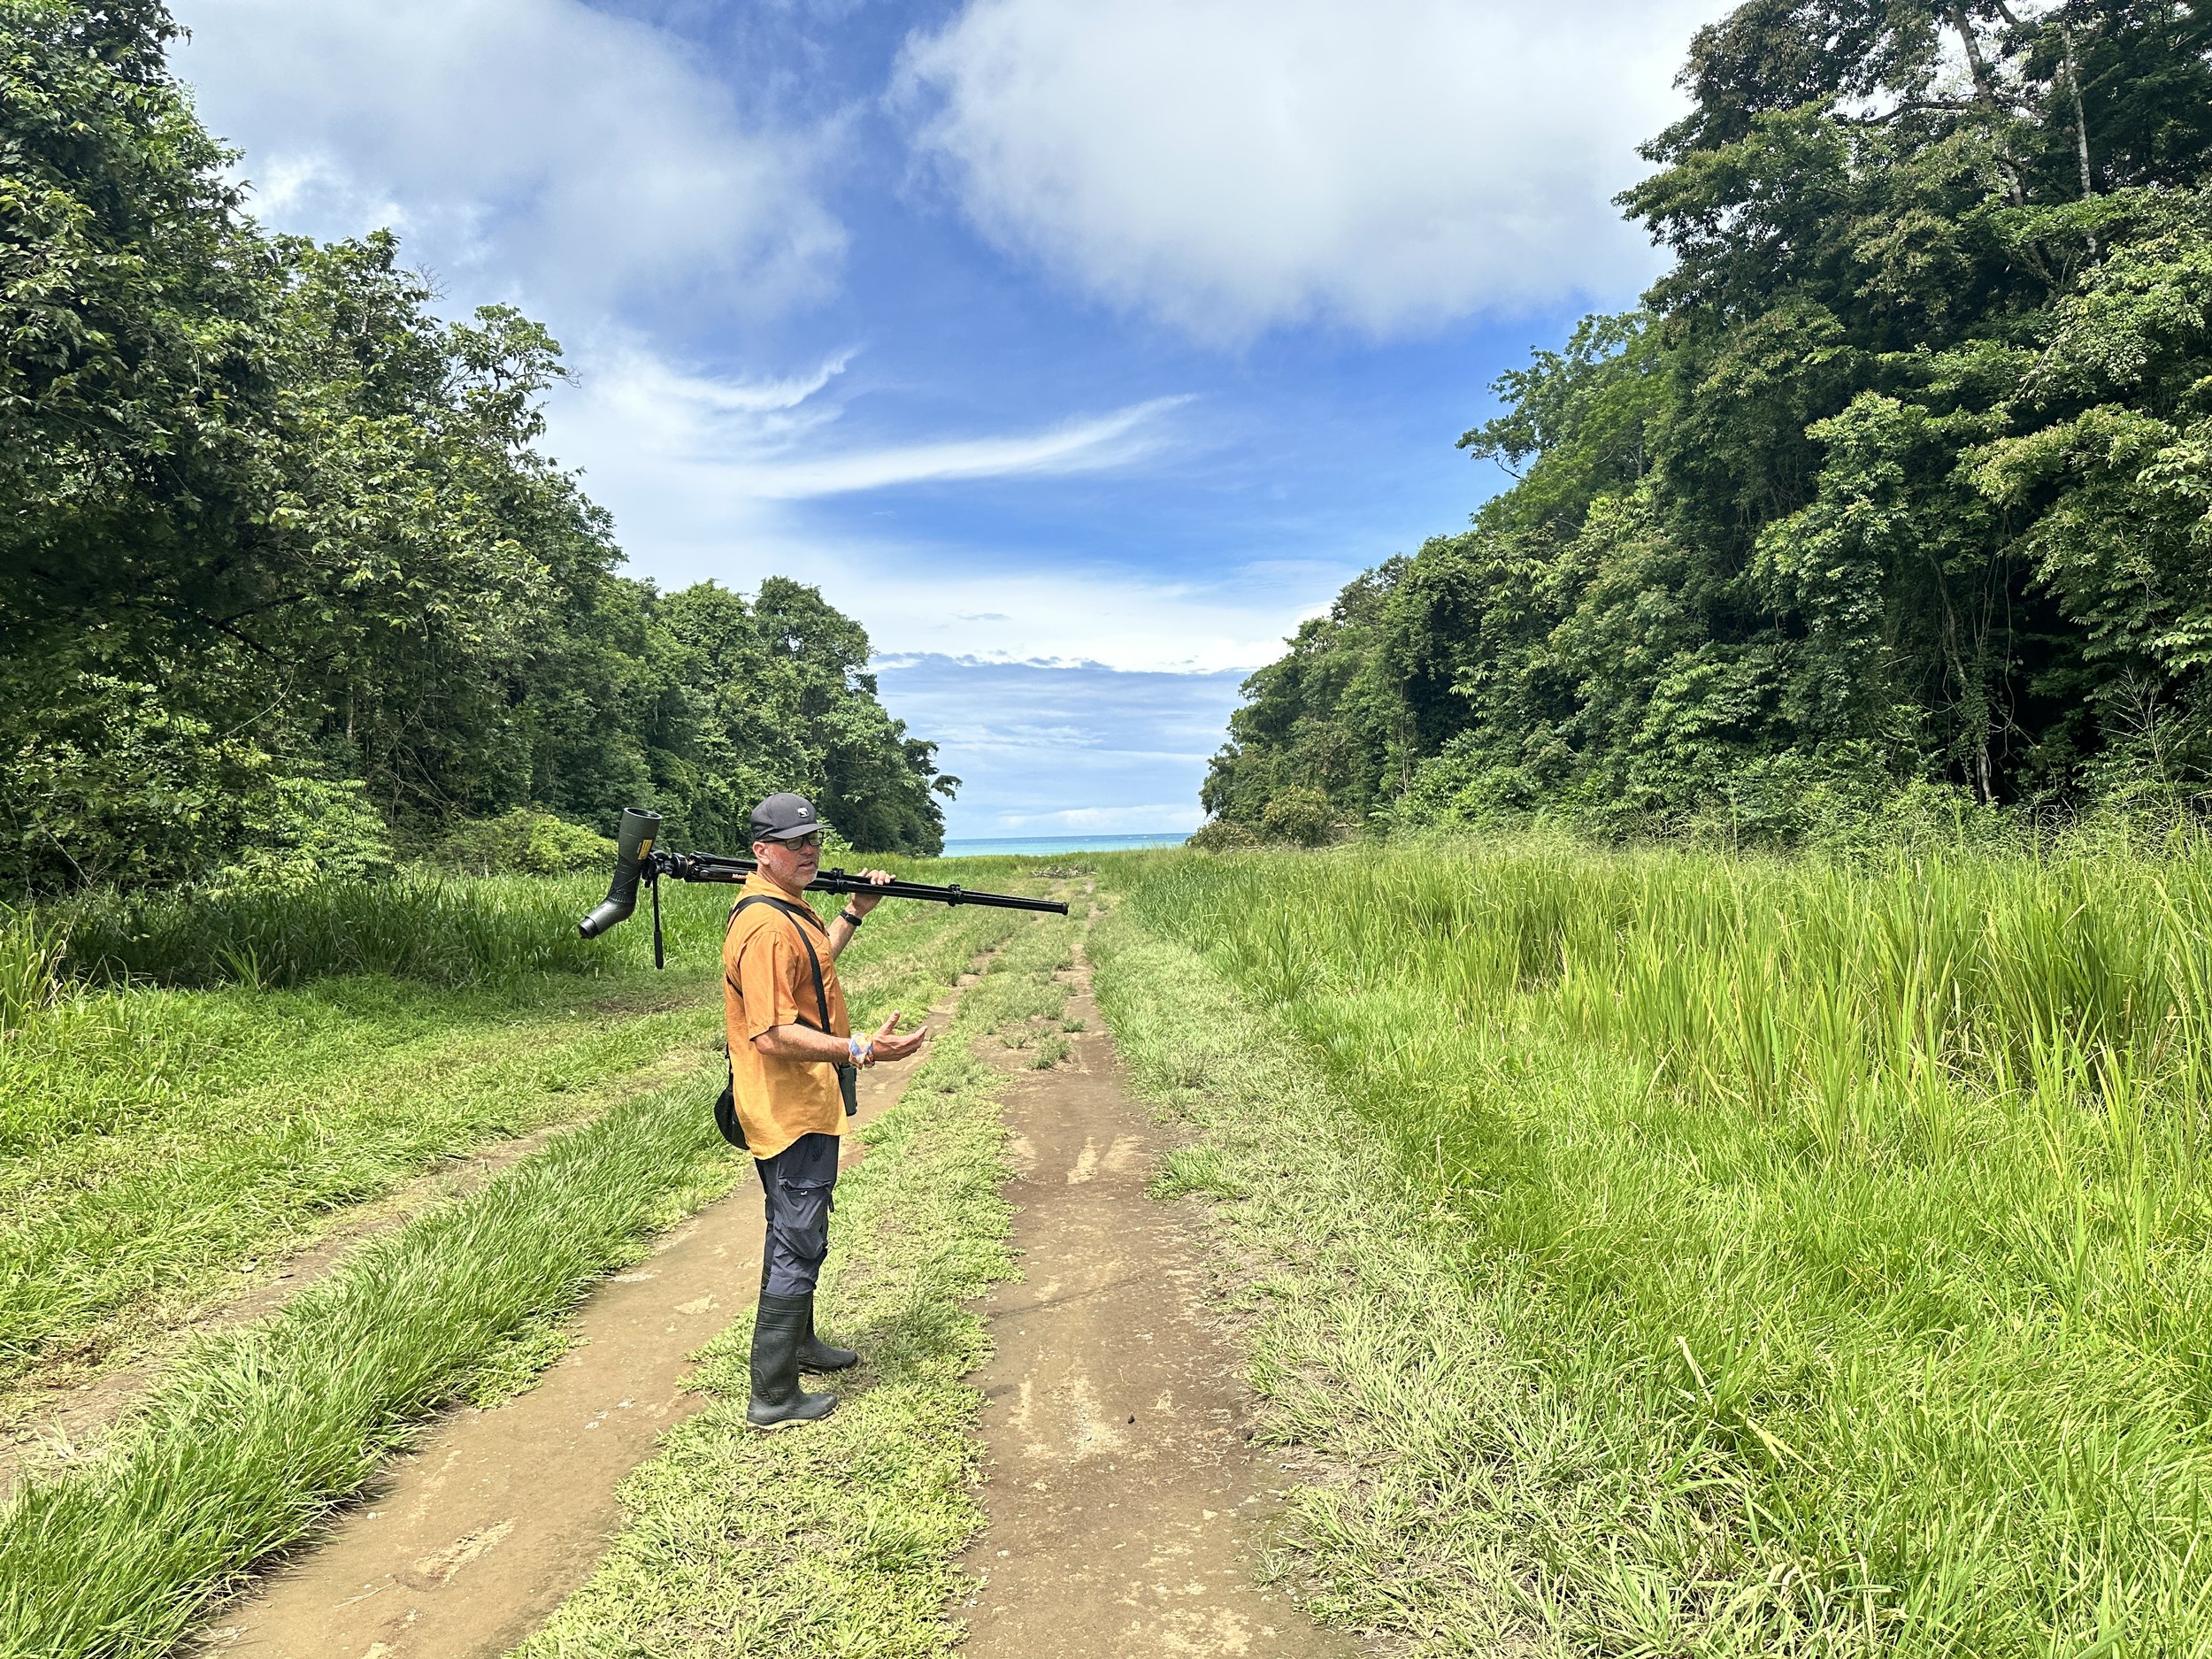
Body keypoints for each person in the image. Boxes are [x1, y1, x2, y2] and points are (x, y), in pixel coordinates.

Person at [723, 791, 926, 1428]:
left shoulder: (789, 908)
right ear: (762, 851)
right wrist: (859, 1048)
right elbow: (773, 1032)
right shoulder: (762, 925)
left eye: (814, 839)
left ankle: (802, 1344)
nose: (810, 850)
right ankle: (774, 1394)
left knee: (796, 1227)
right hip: (787, 1108)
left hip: (806, 1101)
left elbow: (810, 969)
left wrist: (853, 913)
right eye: (794, 842)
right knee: (798, 1238)